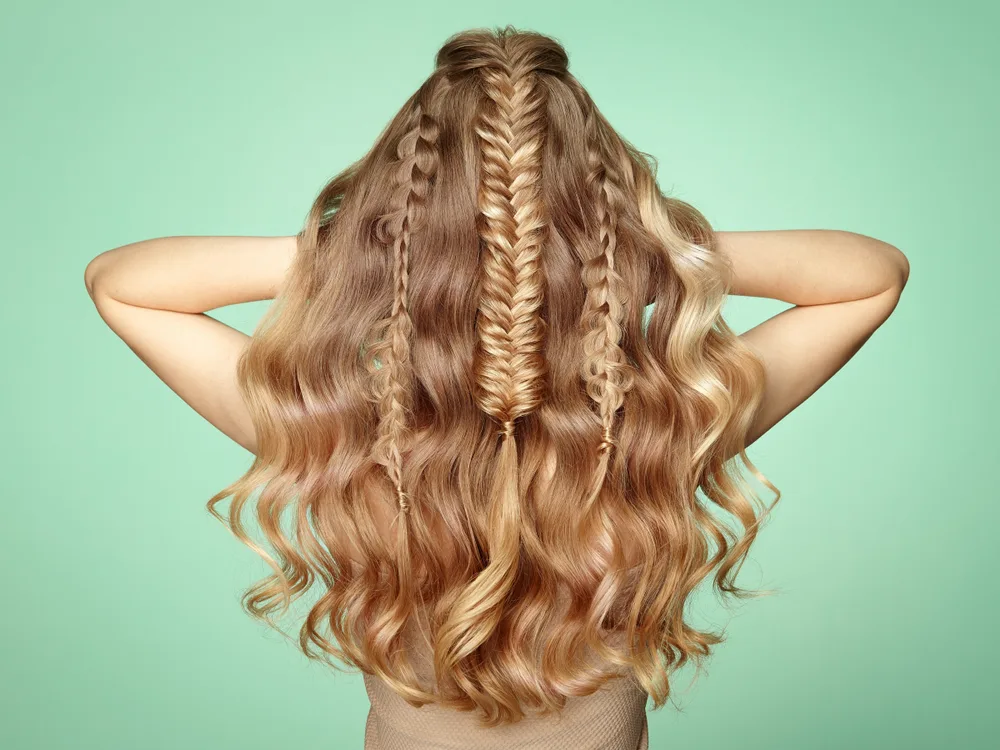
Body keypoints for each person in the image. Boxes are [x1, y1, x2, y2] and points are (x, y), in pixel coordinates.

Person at [83, 25, 910, 750]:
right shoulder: (658, 436)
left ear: (411, 244)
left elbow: (122, 282)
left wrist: (362, 259)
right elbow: (870, 276)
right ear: (591, 239)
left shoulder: (343, 441)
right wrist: (655, 254)